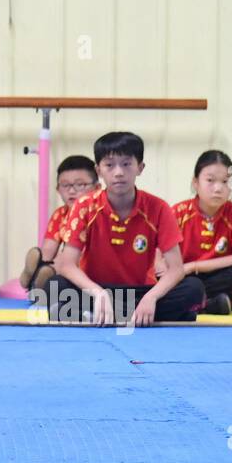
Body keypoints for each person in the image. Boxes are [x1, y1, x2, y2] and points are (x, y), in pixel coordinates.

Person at [46, 132, 205, 325]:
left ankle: (99, 314)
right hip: (97, 290)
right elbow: (66, 265)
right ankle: (142, 316)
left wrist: (151, 298)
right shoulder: (84, 206)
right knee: (53, 286)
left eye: (126, 164)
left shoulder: (159, 208)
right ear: (98, 170)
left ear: (140, 167)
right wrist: (97, 293)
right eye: (109, 165)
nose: (118, 172)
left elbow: (176, 269)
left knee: (194, 289)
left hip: (141, 292)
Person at [169, 150, 232, 315]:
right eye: (210, 180)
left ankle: (196, 303)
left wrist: (193, 266)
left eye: (225, 181)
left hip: (215, 278)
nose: (218, 188)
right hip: (184, 278)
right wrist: (182, 271)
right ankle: (208, 305)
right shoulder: (178, 212)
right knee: (177, 284)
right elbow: (159, 257)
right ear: (195, 183)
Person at [21, 154, 98, 294]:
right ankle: (33, 276)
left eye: (80, 185)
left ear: (97, 188)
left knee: (64, 262)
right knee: (52, 264)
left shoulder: (100, 212)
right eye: (65, 185)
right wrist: (42, 264)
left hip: (91, 268)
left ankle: (41, 281)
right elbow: (46, 252)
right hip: (68, 267)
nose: (72, 191)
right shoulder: (60, 214)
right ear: (58, 189)